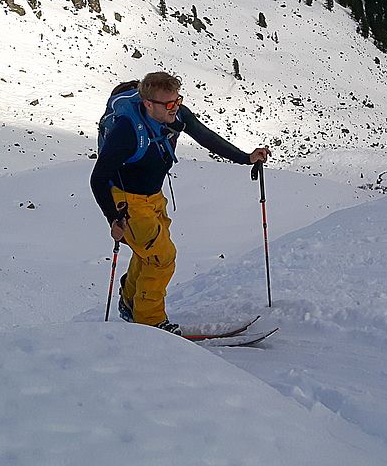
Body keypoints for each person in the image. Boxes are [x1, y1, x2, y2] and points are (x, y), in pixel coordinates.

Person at [91, 71, 270, 333]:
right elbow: (98, 178)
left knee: (149, 253)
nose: (176, 108)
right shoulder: (126, 131)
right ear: (148, 104)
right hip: (127, 201)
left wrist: (245, 158)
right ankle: (149, 320)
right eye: (169, 104)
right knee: (162, 257)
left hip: (153, 197)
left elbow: (205, 136)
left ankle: (130, 303)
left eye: (178, 101)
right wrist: (113, 219)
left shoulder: (175, 115)